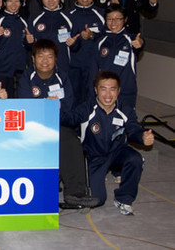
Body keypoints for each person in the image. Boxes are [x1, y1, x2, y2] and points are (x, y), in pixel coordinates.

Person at [18, 39, 99, 208]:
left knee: (71, 140)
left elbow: (68, 107)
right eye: (41, 57)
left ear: (56, 59)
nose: (45, 61)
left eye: (50, 57)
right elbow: (26, 107)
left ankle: (75, 193)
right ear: (33, 59)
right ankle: (46, 184)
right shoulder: (26, 78)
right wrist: (47, 105)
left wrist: (53, 109)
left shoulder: (62, 77)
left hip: (58, 121)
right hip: (34, 125)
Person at [61, 71, 154, 215]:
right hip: (94, 158)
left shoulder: (125, 110)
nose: (108, 95)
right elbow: (69, 119)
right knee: (98, 200)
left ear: (119, 91)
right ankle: (95, 182)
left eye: (112, 89)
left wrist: (142, 137)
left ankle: (124, 199)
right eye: (103, 89)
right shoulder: (87, 108)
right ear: (96, 90)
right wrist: (56, 109)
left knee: (135, 159)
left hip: (117, 153)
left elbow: (133, 129)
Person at [91, 4, 143, 108]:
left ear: (125, 19)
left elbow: (140, 43)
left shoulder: (131, 40)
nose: (113, 23)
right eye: (109, 19)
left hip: (125, 92)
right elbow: (94, 70)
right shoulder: (101, 42)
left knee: (125, 122)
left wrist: (140, 43)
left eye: (118, 19)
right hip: (105, 93)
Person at [0, 0, 31, 98]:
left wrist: (29, 42)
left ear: (21, 3)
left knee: (16, 106)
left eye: (17, 1)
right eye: (10, 1)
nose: (14, 4)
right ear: (5, 2)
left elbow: (28, 47)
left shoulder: (25, 21)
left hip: (19, 72)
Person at [67, 0, 106, 102]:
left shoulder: (102, 14)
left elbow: (108, 38)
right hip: (72, 65)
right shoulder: (67, 15)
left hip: (93, 66)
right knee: (73, 98)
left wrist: (92, 35)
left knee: (92, 98)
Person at [28, 0, 80, 74]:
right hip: (40, 68)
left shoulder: (69, 18)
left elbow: (77, 45)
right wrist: (27, 41)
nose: (50, 1)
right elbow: (29, 46)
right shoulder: (34, 19)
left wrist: (74, 43)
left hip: (63, 67)